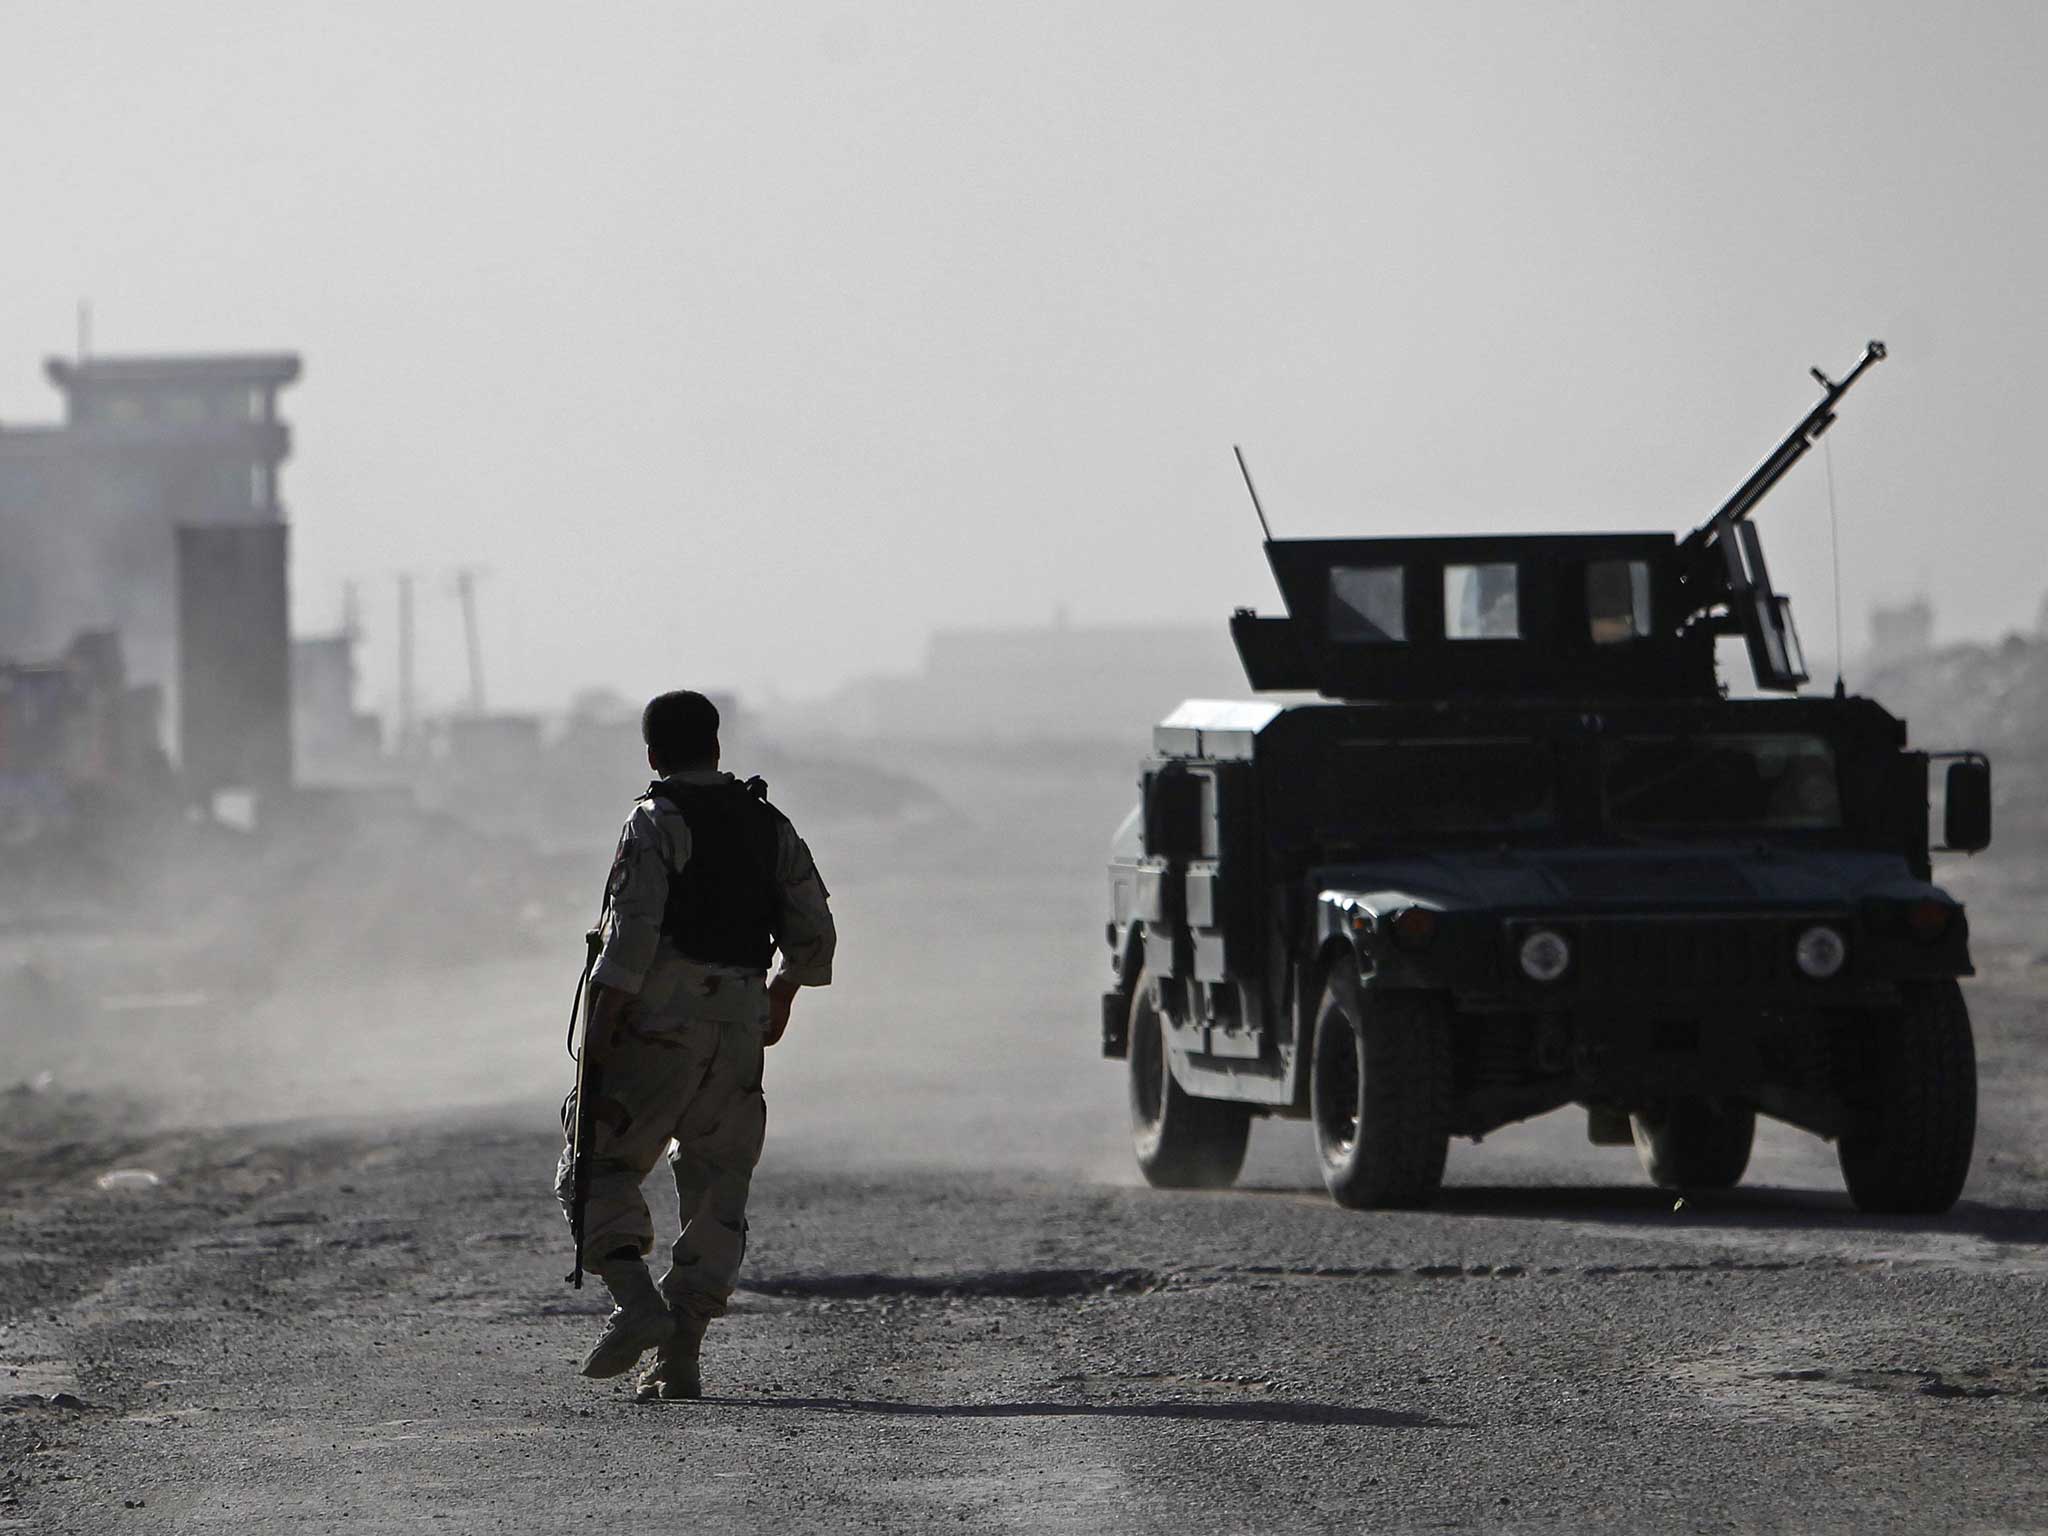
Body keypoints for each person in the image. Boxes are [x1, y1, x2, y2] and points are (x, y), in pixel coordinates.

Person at [555, 689, 835, 1400]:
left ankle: (637, 1304)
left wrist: (601, 1038)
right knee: (716, 1190)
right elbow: (814, 934)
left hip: (658, 1023)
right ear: (717, 744)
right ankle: (681, 1357)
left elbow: (629, 940)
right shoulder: (767, 822)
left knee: (593, 1163)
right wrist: (780, 994)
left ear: (653, 754)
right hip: (738, 1024)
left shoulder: (654, 821)